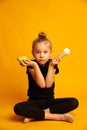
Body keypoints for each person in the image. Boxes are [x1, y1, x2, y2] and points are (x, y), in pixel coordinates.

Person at [14, 32, 79, 123]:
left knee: (73, 102)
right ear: (33, 53)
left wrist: (52, 66)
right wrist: (35, 66)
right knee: (18, 108)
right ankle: (59, 117)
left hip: (49, 101)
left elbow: (47, 85)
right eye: (38, 52)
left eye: (45, 52)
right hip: (34, 102)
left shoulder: (53, 64)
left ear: (50, 53)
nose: (41, 55)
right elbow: (41, 84)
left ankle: (35, 115)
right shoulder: (31, 65)